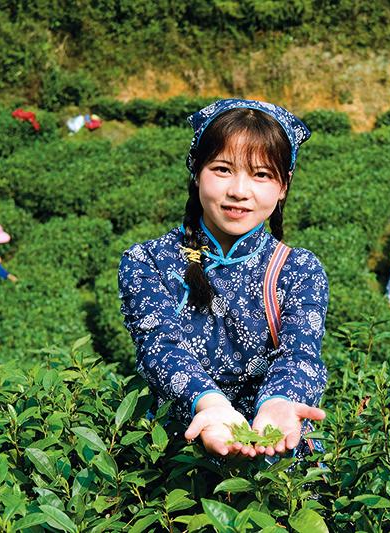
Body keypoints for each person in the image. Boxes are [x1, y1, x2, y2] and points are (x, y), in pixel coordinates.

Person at [118, 99, 328, 462]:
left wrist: (277, 403)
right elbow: (160, 348)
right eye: (223, 169)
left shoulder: (299, 269)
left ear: (283, 185)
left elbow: (299, 355)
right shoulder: (147, 261)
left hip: (275, 455)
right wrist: (211, 404)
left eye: (261, 174)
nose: (239, 191)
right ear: (196, 171)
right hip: (180, 453)